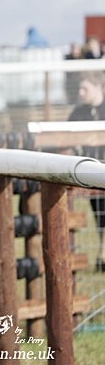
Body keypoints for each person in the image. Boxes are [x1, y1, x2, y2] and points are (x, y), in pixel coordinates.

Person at [68, 71, 105, 271]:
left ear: (99, 88)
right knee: (100, 217)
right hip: (91, 173)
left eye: (85, 88)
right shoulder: (78, 113)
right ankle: (102, 254)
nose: (81, 92)